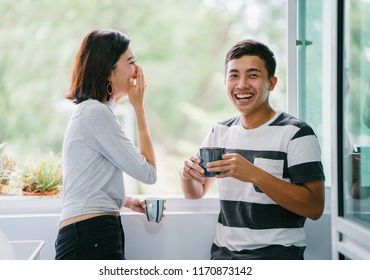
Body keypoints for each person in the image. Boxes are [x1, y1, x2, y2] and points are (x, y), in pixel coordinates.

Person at [180, 39, 325, 260]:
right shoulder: (219, 131)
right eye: (234, 75)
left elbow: (315, 207)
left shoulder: (296, 133)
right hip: (223, 257)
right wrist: (186, 174)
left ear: (272, 83)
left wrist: (255, 175)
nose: (241, 85)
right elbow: (195, 193)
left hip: (277, 258)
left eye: (253, 75)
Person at [55, 29, 157, 260]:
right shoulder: (95, 113)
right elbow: (149, 172)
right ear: (108, 70)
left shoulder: (94, 112)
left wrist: (126, 201)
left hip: (90, 232)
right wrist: (139, 108)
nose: (137, 71)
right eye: (131, 62)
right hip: (91, 235)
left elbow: (87, 179)